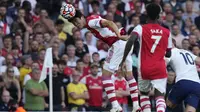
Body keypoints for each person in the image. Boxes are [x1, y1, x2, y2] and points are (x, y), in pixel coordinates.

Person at [66, 7, 140, 112]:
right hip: (124, 44)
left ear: (82, 17)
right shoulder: (90, 23)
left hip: (118, 44)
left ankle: (116, 106)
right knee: (129, 75)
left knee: (105, 76)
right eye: (74, 23)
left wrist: (118, 36)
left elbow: (109, 23)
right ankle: (136, 105)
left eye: (76, 21)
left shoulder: (90, 22)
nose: (76, 24)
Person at [121, 3, 172, 112]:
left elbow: (130, 40)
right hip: (159, 67)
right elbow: (168, 54)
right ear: (159, 16)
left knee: (144, 94)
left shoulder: (140, 28)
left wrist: (124, 58)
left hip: (144, 68)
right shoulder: (167, 32)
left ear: (146, 14)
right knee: (160, 96)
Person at [166, 46, 200, 112]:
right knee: (190, 110)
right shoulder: (187, 52)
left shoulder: (170, 52)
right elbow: (199, 60)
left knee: (168, 105)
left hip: (183, 81)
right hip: (197, 85)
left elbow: (164, 63)